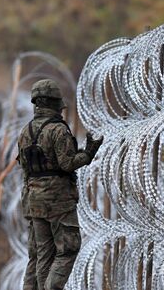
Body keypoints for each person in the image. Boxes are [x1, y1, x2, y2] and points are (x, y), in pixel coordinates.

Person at [17, 79, 103, 290]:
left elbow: (24, 167)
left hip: (33, 199)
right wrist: (88, 153)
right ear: (54, 103)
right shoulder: (57, 130)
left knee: (41, 255)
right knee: (68, 249)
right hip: (57, 200)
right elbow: (67, 164)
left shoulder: (25, 132)